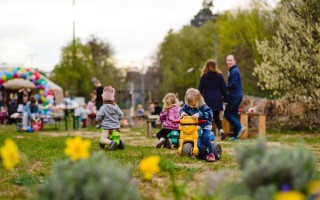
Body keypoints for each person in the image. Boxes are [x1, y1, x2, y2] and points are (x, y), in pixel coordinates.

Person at [180, 88, 215, 162]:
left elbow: (210, 114)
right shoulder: (186, 105)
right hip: (192, 126)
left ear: (199, 100)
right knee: (186, 135)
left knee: (205, 137)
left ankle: (211, 153)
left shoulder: (203, 105)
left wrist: (200, 114)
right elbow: (181, 110)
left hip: (204, 125)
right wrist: (182, 113)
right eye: (190, 105)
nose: (192, 106)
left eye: (194, 105)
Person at [198, 59, 228, 140]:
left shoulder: (204, 76)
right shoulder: (219, 76)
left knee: (207, 117)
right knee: (216, 117)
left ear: (206, 66)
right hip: (217, 99)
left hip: (207, 99)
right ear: (215, 66)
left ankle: (208, 134)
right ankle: (221, 131)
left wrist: (198, 100)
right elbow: (224, 89)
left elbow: (200, 90)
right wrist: (226, 99)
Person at [224, 55, 246, 140]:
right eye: (228, 60)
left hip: (234, 95)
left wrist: (224, 87)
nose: (229, 62)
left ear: (234, 61)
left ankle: (240, 127)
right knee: (233, 114)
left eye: (231, 60)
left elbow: (233, 85)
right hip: (238, 95)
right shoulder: (233, 70)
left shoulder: (234, 71)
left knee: (227, 113)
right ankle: (236, 136)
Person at [96, 86, 124, 150]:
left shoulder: (103, 108)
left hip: (107, 128)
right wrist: (117, 120)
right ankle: (120, 143)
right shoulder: (116, 107)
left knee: (102, 139)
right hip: (116, 127)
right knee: (116, 136)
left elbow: (98, 117)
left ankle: (110, 142)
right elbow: (121, 115)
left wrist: (99, 120)